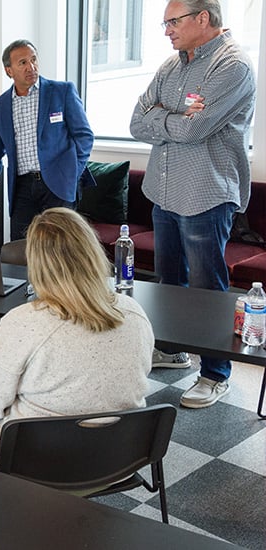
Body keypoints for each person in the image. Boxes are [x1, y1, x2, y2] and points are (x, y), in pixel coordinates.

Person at [0, 208, 153, 469]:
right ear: (92, 252)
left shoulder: (24, 321)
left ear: (36, 264)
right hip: (120, 456)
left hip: (38, 461)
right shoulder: (135, 312)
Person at [129, 0, 255, 409]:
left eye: (173, 21)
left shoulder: (232, 65)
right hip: (163, 191)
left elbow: (196, 130)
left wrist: (168, 117)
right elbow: (136, 120)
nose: (166, 30)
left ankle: (215, 373)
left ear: (203, 18)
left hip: (205, 193)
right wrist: (176, 116)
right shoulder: (171, 65)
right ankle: (172, 350)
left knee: (207, 289)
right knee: (169, 283)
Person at [0, 39, 95, 239]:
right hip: (22, 188)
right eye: (23, 63)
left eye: (33, 60)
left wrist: (71, 172)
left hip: (58, 185)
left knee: (60, 249)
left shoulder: (62, 91)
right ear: (9, 71)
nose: (31, 67)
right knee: (22, 248)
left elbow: (84, 136)